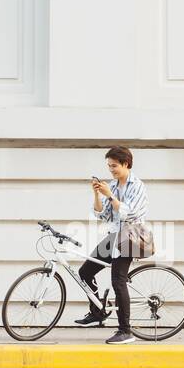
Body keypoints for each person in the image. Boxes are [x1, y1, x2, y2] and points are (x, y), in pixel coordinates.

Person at [75, 146, 150, 344]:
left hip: (131, 234)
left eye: (114, 166)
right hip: (114, 235)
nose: (111, 170)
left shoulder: (138, 186)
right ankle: (98, 311)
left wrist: (110, 195)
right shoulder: (113, 185)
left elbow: (130, 212)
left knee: (118, 281)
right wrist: (97, 195)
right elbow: (103, 215)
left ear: (126, 164)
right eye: (109, 167)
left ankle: (126, 331)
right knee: (85, 272)